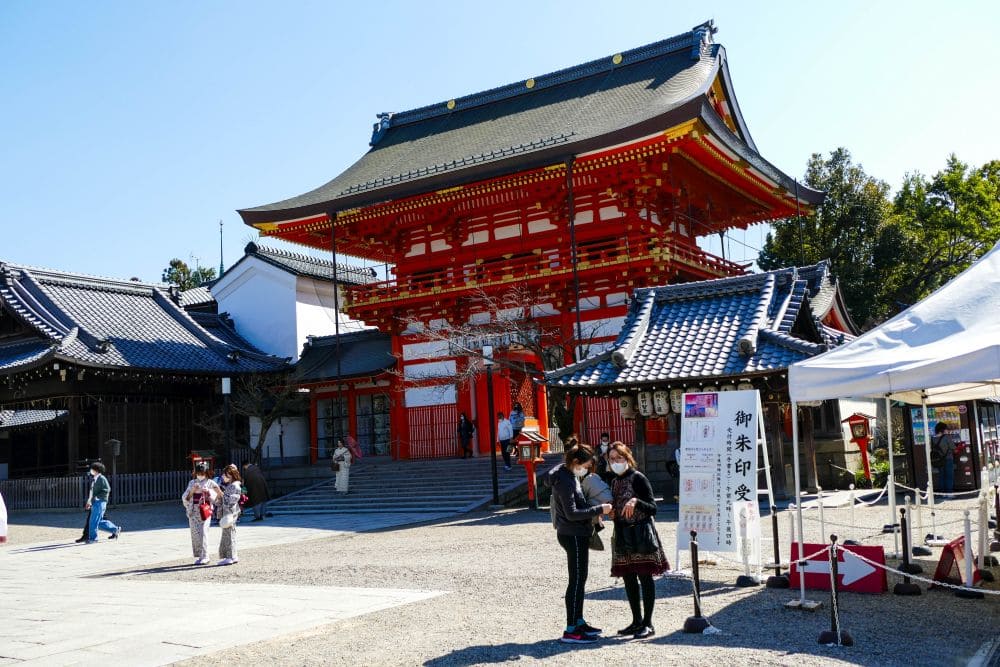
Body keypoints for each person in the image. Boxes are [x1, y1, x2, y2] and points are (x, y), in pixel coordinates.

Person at [546, 443, 612, 644]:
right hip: (572, 534)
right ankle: (571, 629)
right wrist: (599, 509)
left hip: (576, 533)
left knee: (580, 578)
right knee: (576, 580)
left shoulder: (570, 476)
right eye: (585, 465)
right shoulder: (565, 480)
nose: (587, 469)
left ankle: (579, 620)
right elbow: (572, 513)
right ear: (575, 462)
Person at [607, 441, 668, 639]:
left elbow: (653, 507)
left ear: (628, 458)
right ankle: (636, 621)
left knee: (645, 577)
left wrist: (636, 501)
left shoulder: (638, 478)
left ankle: (648, 623)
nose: (616, 462)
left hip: (641, 533)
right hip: (623, 535)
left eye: (620, 458)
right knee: (629, 579)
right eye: (612, 459)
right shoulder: (614, 481)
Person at [182, 462, 221, 565]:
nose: (200, 475)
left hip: (205, 510)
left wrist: (208, 492)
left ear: (207, 473)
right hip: (194, 510)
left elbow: (219, 495)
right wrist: (192, 491)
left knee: (203, 533)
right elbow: (185, 498)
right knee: (195, 534)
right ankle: (200, 556)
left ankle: (206, 556)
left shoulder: (211, 483)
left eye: (202, 473)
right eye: (198, 473)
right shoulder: (192, 483)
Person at [84, 462, 121, 543]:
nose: (91, 470)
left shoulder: (101, 478)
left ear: (96, 470)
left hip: (100, 502)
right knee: (99, 521)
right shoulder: (95, 479)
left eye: (92, 469)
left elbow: (107, 489)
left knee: (93, 521)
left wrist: (98, 497)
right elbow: (92, 492)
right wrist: (89, 502)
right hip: (96, 502)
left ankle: (93, 539)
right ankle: (115, 529)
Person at [217, 464, 242, 565]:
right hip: (231, 513)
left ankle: (230, 557)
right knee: (230, 534)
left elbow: (231, 500)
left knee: (228, 535)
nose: (223, 476)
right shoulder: (234, 485)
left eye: (225, 474)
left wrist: (221, 494)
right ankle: (233, 556)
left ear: (230, 475)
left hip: (229, 513)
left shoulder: (234, 486)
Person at [933, 422, 956, 493]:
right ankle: (949, 493)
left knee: (941, 476)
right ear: (942, 430)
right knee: (949, 476)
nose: (947, 430)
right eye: (946, 429)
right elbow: (953, 447)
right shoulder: (946, 437)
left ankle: (942, 493)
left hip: (938, 460)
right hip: (948, 459)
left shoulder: (932, 439)